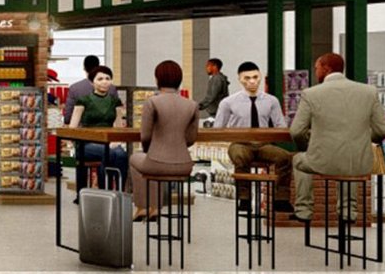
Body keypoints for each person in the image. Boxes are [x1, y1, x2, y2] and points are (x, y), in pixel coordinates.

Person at [290, 51, 385, 221]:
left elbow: (296, 131)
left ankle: (304, 210)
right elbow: (382, 130)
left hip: (323, 162)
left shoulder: (311, 94)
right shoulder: (368, 92)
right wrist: (363, 138)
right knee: (347, 165)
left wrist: (308, 144)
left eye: (317, 68)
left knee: (298, 160)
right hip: (360, 163)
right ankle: (348, 211)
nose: (315, 72)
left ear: (326, 69)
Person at [216, 61, 294, 211]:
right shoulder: (228, 102)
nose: (252, 81)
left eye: (255, 77)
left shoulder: (271, 101)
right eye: (247, 78)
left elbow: (280, 125)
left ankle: (281, 199)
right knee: (239, 155)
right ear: (240, 79)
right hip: (240, 143)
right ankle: (244, 197)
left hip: (264, 145)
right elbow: (218, 127)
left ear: (260, 78)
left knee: (284, 157)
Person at [128, 60, 199, 222]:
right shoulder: (192, 105)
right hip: (184, 164)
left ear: (157, 79)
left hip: (157, 161)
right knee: (151, 164)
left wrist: (149, 149)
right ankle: (154, 207)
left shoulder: (152, 102)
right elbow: (191, 138)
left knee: (136, 160)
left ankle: (143, 207)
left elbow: (145, 136)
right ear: (179, 79)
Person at [67, 64, 128, 188]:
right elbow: (72, 127)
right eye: (100, 79)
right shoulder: (83, 101)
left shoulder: (115, 101)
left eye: (107, 78)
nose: (104, 82)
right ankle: (104, 189)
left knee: (121, 154)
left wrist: (117, 141)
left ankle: (120, 191)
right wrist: (71, 143)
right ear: (92, 82)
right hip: (86, 144)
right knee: (110, 153)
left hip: (108, 143)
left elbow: (118, 126)